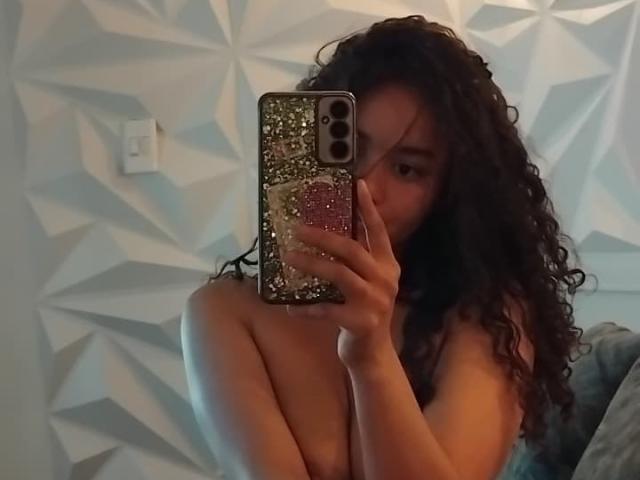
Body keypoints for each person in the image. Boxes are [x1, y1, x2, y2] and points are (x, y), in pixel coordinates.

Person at [181, 15, 594, 480]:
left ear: (447, 193)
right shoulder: (225, 311)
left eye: (407, 169)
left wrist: (371, 354)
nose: (364, 187)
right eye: (349, 151)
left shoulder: (488, 319)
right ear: (307, 150)